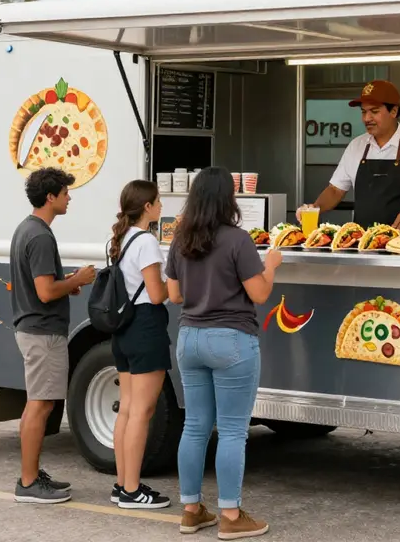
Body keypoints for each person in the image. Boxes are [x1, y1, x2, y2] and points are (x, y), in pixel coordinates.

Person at [166, 166, 282, 538]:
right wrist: (271, 266)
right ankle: (230, 516)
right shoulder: (237, 240)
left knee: (195, 426)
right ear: (227, 199)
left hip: (190, 338)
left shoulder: (180, 240)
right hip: (231, 339)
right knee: (232, 430)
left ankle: (191, 510)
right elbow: (260, 293)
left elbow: (174, 295)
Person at [10, 167, 96, 504]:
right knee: (41, 405)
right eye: (65, 192)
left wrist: (65, 284)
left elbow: (43, 286)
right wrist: (78, 280)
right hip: (43, 332)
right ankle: (29, 482)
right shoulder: (41, 236)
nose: (69, 197)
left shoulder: (26, 229)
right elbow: (45, 292)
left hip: (33, 329)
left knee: (38, 404)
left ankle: (31, 475)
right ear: (50, 197)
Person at [297, 79, 400, 235]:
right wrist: (314, 208)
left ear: (394, 111)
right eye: (363, 112)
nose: (366, 118)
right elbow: (335, 190)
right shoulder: (356, 146)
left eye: (374, 111)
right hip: (364, 243)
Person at [108, 179, 172, 510]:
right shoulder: (146, 241)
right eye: (158, 201)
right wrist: (178, 283)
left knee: (128, 408)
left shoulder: (121, 238)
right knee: (142, 412)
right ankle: (132, 490)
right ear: (147, 207)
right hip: (146, 326)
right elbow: (157, 293)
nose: (161, 206)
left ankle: (122, 483)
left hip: (124, 329)